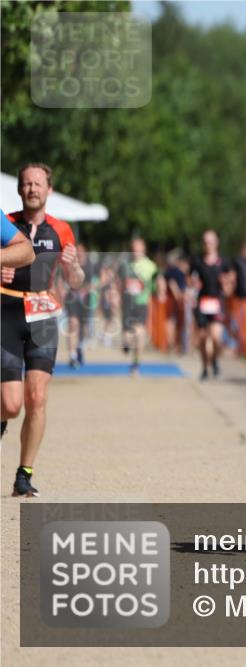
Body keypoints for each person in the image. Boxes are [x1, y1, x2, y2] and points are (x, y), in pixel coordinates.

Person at [1, 164, 85, 497]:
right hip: (7, 311)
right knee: (11, 404)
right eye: (26, 184)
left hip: (43, 315)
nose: (32, 189)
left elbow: (76, 282)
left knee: (37, 396)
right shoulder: (7, 223)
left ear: (49, 189)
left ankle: (24, 473)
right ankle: (3, 419)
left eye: (38, 184)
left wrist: (73, 267)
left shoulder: (62, 230)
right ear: (19, 190)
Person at [189, 230, 233, 381]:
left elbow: (230, 284)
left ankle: (214, 360)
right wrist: (193, 283)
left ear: (216, 243)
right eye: (205, 242)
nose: (208, 245)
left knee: (215, 337)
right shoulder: (197, 261)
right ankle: (204, 368)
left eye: (210, 242)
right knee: (202, 337)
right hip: (202, 303)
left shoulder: (224, 262)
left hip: (217, 302)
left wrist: (226, 284)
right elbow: (190, 279)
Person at [119, 236, 158, 375]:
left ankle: (136, 364)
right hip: (127, 304)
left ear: (144, 249)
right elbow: (120, 284)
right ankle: (126, 344)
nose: (136, 252)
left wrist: (158, 291)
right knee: (127, 336)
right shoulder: (125, 266)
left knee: (139, 332)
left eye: (139, 249)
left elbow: (155, 284)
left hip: (141, 303)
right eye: (133, 249)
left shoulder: (151, 266)